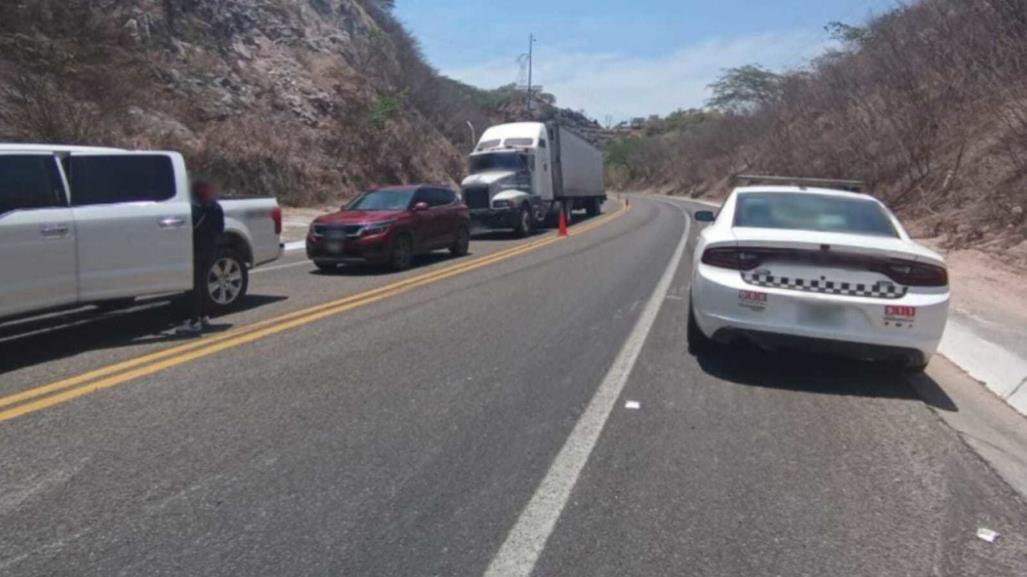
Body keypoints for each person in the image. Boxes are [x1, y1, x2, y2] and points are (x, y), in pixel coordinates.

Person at [176, 181, 225, 335]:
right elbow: (220, 228)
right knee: (203, 284)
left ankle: (194, 321)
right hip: (211, 249)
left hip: (195, 250)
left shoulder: (193, 209)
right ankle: (204, 316)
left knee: (194, 287)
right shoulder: (216, 207)